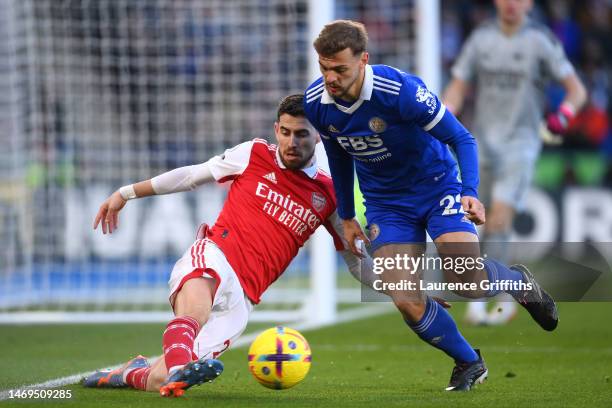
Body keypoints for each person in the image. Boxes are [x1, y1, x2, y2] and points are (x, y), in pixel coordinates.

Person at [304, 19, 558, 391]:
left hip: (437, 187)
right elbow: (339, 156)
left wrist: (469, 190)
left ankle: (520, 283)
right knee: (405, 299)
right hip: (386, 204)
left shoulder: (400, 91)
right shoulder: (317, 104)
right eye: (325, 68)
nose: (331, 78)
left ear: (363, 61)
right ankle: (469, 361)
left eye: (340, 69)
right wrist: (346, 216)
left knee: (466, 280)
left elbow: (461, 137)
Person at [82, 94, 372, 397]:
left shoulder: (330, 195)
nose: (291, 142)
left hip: (244, 298)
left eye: (301, 134)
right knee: (195, 308)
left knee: (159, 379)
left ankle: (129, 372)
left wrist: (401, 287)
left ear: (318, 136)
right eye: (285, 132)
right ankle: (181, 368)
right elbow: (192, 175)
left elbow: (356, 264)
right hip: (215, 255)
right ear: (276, 129)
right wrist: (126, 193)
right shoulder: (254, 153)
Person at [442, 0, 586, 325]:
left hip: (520, 145)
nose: (511, 4)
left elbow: (576, 90)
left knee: (500, 219)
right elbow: (458, 86)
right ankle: (487, 291)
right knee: (473, 218)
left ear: (529, 3)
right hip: (479, 142)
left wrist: (563, 115)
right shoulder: (481, 39)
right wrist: (442, 116)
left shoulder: (540, 40)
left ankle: (502, 300)